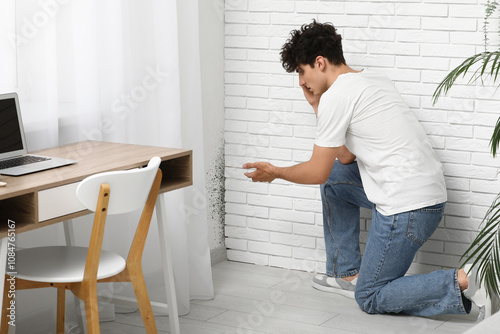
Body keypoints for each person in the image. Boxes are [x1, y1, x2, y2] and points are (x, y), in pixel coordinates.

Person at [243, 20, 493, 320]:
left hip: (407, 209)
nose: (300, 82)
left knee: (370, 296)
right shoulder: (371, 80)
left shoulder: (338, 96)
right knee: (336, 180)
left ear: (319, 63)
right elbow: (346, 158)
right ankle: (344, 273)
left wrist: (276, 172)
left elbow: (315, 172)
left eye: (301, 71)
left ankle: (468, 279)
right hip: (426, 196)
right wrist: (315, 106)